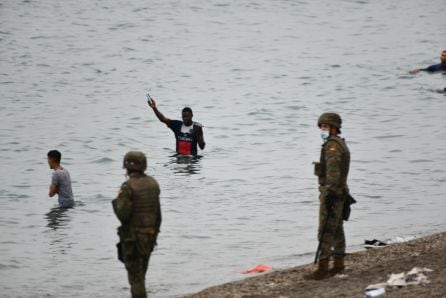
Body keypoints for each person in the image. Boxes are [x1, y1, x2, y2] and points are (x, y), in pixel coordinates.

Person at [305, 113, 351, 280]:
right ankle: (338, 265)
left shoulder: (332, 146)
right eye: (321, 126)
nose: (322, 129)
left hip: (332, 193)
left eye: (326, 126)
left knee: (325, 230)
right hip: (340, 192)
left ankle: (323, 268)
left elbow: (333, 172)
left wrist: (330, 193)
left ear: (334, 128)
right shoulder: (339, 143)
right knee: (337, 228)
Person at [112, 151, 162, 298]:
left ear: (127, 167)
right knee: (141, 275)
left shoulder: (128, 186)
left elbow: (122, 215)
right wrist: (155, 234)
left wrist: (116, 202)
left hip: (132, 239)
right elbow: (158, 215)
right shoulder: (153, 184)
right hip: (150, 235)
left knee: (136, 279)